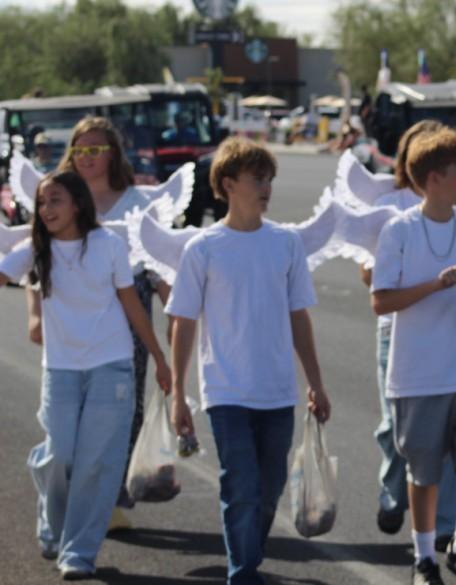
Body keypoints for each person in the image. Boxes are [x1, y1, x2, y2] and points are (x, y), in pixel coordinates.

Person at [166, 137, 331, 585]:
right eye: (257, 178)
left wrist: (315, 382)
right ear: (227, 184)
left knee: (269, 488)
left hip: (277, 391)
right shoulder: (202, 248)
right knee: (240, 485)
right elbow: (182, 323)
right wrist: (179, 394)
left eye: (269, 179)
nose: (266, 187)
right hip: (226, 391)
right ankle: (243, 572)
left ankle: (248, 556)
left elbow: (299, 317)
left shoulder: (286, 243)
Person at [0, 171, 171, 580]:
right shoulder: (35, 250)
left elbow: (130, 303)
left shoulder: (107, 244)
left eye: (55, 200)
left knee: (96, 462)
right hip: (61, 369)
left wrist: (159, 357)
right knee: (61, 452)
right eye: (42, 203)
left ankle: (78, 551)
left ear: (77, 203)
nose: (46, 209)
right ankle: (51, 517)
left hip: (111, 366)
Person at [371, 129, 456, 585]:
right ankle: (424, 558)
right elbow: (381, 301)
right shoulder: (399, 230)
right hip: (418, 373)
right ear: (432, 180)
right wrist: (435, 285)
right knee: (424, 471)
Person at [27, 116, 174, 523]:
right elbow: (35, 257)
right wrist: (35, 314)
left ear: (113, 154)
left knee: (123, 411)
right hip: (69, 318)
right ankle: (62, 499)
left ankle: (108, 501)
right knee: (66, 423)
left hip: (127, 310)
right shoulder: (56, 197)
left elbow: (159, 261)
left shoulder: (139, 202)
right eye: (81, 149)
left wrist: (174, 311)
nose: (87, 157)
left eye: (96, 149)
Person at [364, 120, 456, 551]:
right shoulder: (391, 207)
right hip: (396, 330)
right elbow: (369, 273)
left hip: (448, 330)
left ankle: (443, 527)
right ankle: (392, 491)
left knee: (446, 433)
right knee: (394, 425)